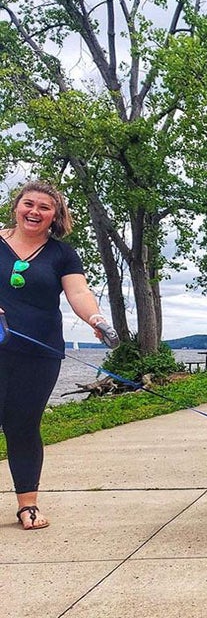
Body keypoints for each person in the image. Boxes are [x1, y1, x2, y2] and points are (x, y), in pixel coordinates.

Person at [0, 180, 116, 530]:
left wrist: (95, 317)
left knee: (23, 425)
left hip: (39, 352)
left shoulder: (62, 253)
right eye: (28, 204)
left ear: (55, 216)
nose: (34, 211)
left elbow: (78, 291)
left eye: (44, 208)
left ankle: (27, 505)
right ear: (17, 206)